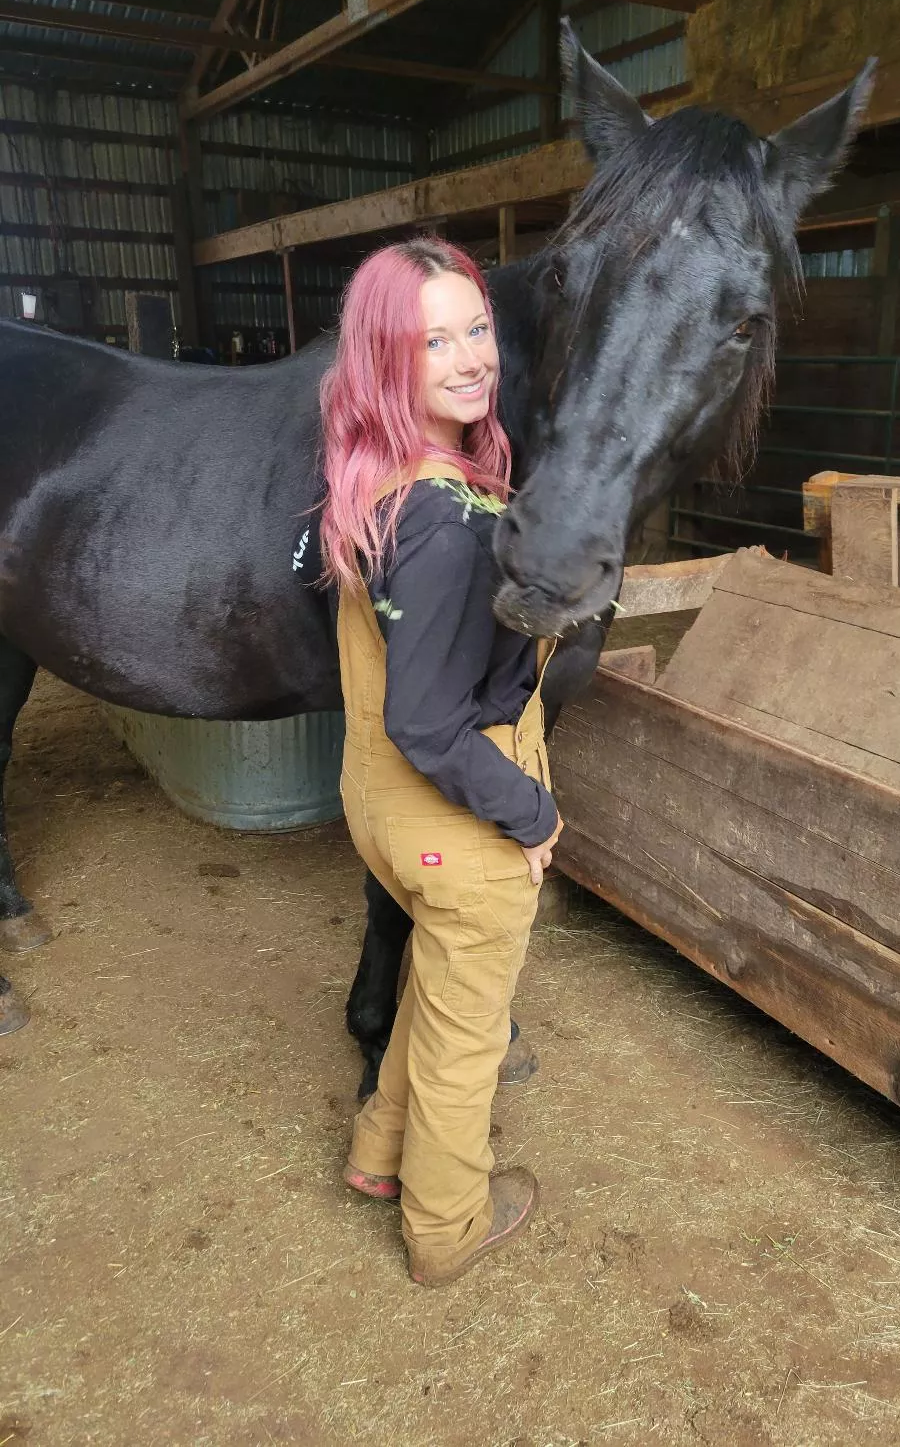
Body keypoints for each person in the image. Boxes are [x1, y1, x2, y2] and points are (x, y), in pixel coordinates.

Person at [316, 238, 562, 1287]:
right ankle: (447, 1227)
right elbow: (429, 721)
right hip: (450, 824)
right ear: (384, 359)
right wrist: (530, 813)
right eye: (433, 341)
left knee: (437, 986)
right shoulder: (448, 523)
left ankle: (378, 1152)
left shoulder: (376, 479)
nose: (470, 359)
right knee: (469, 1037)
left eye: (477, 328)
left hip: (377, 807)